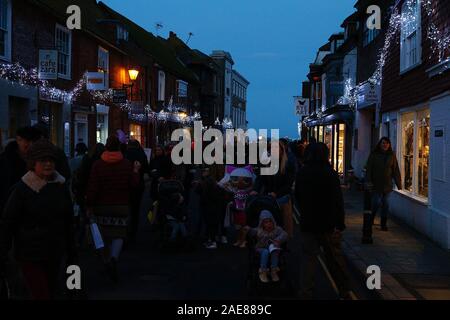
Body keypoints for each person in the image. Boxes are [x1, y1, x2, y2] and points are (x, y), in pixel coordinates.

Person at [0, 139, 77, 300]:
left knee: (51, 291)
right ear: (33, 163)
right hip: (30, 254)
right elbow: (8, 222)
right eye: (43, 160)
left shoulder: (60, 186)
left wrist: (72, 251)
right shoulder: (22, 189)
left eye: (51, 160)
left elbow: (68, 221)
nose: (48, 164)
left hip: (54, 252)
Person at [295, 142, 351, 300]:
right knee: (334, 259)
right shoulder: (331, 173)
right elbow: (337, 201)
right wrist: (340, 224)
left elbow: (297, 196)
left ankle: (305, 293)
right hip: (329, 223)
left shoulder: (303, 172)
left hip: (308, 223)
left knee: (308, 260)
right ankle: (344, 290)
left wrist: (304, 212)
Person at [86, 136, 140, 282]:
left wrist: (89, 203)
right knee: (118, 234)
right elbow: (134, 184)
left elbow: (93, 187)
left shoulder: (98, 165)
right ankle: (114, 259)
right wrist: (135, 170)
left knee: (102, 236)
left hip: (101, 204)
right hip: (121, 204)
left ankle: (105, 261)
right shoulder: (126, 164)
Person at [253, 141, 296, 238]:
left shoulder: (288, 164)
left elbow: (288, 184)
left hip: (282, 196)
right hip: (269, 196)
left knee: (281, 224)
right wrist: (255, 189)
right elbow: (260, 178)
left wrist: (276, 193)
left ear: (282, 150)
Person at [0, 126, 41, 214]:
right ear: (18, 140)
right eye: (27, 141)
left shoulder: (40, 161)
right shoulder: (5, 160)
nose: (31, 145)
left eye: (34, 141)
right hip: (9, 208)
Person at [365, 137, 402, 231]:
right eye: (383, 143)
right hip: (376, 184)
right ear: (380, 144)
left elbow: (395, 170)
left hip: (387, 185)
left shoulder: (392, 155)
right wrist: (368, 181)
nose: (385, 145)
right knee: (376, 203)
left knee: (386, 204)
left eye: (386, 143)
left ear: (389, 145)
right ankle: (371, 218)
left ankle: (383, 224)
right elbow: (369, 169)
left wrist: (399, 183)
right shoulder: (374, 154)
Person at [247, 210, 288, 283]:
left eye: (270, 221)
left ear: (273, 221)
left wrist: (278, 240)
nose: (268, 224)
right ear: (262, 223)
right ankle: (263, 271)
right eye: (266, 222)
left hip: (271, 248)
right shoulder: (259, 230)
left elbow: (284, 234)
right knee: (265, 252)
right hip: (260, 248)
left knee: (275, 250)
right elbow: (251, 232)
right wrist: (248, 229)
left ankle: (273, 270)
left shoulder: (277, 229)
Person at [124, 139, 149, 242]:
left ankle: (125, 228)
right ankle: (133, 230)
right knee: (135, 208)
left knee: (126, 207)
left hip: (126, 184)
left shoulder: (125, 154)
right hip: (139, 184)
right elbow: (146, 168)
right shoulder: (141, 154)